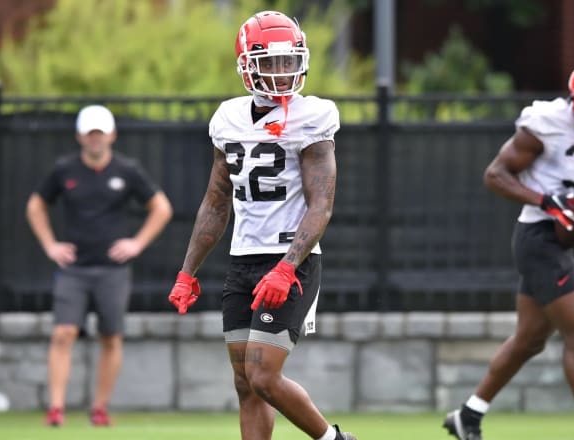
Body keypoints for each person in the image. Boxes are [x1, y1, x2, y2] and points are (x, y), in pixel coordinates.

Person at [167, 10, 355, 440]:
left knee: (265, 375)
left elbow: (321, 204)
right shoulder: (228, 117)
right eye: (269, 62)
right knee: (246, 385)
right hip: (244, 258)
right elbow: (216, 202)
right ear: (246, 65)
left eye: (289, 61)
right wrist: (187, 271)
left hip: (292, 259)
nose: (282, 71)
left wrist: (288, 265)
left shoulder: (312, 117)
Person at [443, 68, 574, 439]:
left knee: (530, 338)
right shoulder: (547, 124)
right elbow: (495, 175)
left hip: (567, 237)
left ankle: (468, 415)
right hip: (540, 238)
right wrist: (547, 201)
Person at [26, 104, 173, 427]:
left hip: (112, 271)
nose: (96, 139)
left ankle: (100, 407)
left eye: (101, 133)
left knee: (111, 336)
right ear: (80, 136)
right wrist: (51, 245)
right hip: (73, 269)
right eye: (90, 133)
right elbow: (36, 205)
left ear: (112, 135)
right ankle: (56, 408)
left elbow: (161, 207)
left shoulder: (127, 170)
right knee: (63, 332)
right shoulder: (64, 171)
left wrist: (136, 243)